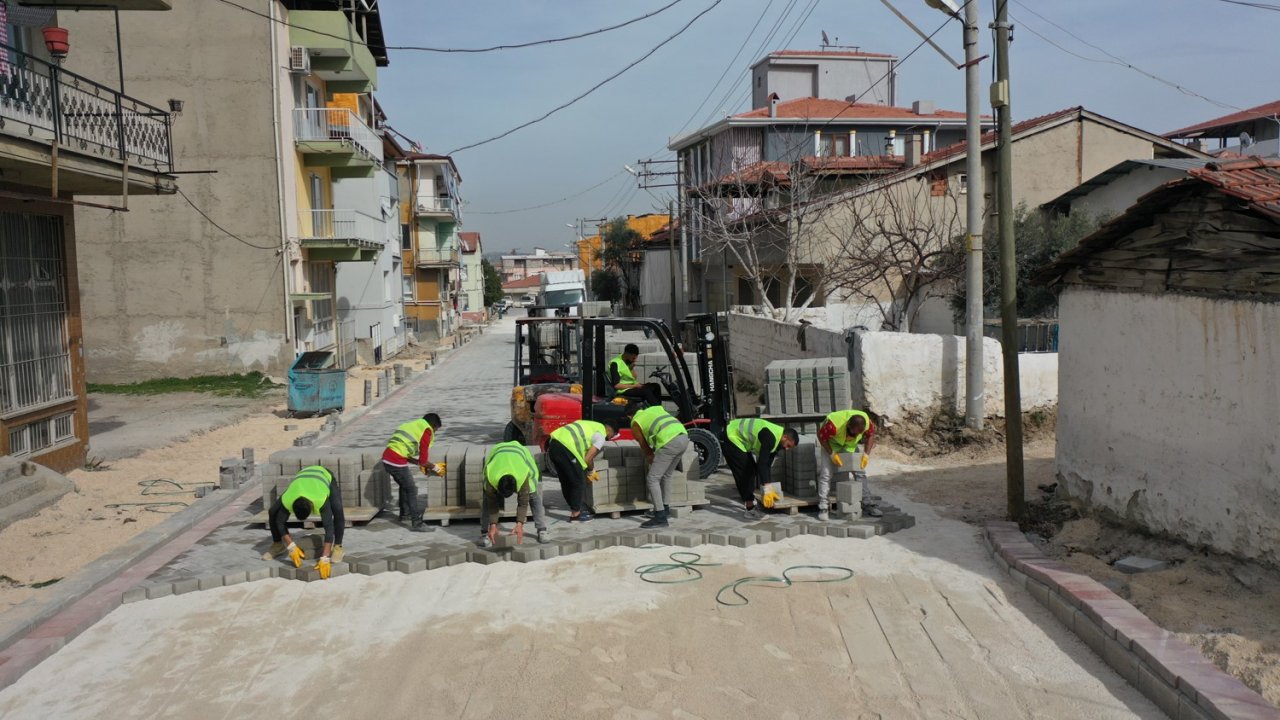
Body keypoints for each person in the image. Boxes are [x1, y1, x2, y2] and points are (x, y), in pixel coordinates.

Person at [263, 465, 344, 580]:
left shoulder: (320, 499)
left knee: (338, 509)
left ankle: (338, 547)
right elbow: (280, 522)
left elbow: (329, 528)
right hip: (302, 479)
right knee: (272, 512)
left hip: (323, 475)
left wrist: (324, 557)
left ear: (312, 507)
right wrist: (291, 546)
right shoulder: (289, 498)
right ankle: (278, 545)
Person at [721, 418, 799, 518]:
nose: (787, 449)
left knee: (752, 470)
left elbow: (766, 465)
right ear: (785, 437)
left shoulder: (778, 441)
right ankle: (750, 509)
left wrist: (769, 486)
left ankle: (749, 501)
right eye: (788, 445)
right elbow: (762, 463)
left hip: (738, 439)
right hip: (730, 437)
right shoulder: (770, 438)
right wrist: (767, 487)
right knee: (746, 472)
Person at [479, 441, 550, 547]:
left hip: (520, 453)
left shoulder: (522, 477)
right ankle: (484, 533)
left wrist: (519, 524)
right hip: (498, 451)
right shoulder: (491, 479)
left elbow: (523, 503)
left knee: (533, 496)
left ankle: (542, 529)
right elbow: (492, 503)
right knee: (487, 500)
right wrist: (493, 525)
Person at [631, 405, 690, 529]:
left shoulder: (636, 422)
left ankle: (660, 517)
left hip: (670, 442)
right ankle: (665, 508)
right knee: (667, 475)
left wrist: (650, 456)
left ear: (629, 416)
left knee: (652, 479)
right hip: (683, 437)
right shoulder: (654, 410)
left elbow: (643, 445)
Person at [382, 412, 443, 532]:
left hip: (387, 458)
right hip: (396, 461)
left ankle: (405, 514)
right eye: (436, 430)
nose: (434, 433)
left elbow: (403, 450)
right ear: (433, 426)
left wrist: (418, 463)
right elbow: (424, 460)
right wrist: (436, 468)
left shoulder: (411, 426)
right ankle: (417, 522)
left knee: (404, 485)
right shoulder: (426, 431)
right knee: (411, 489)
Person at [816, 409, 881, 520]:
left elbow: (870, 436)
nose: (856, 435)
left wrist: (866, 454)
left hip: (849, 446)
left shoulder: (866, 422)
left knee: (860, 472)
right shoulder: (832, 425)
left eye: (858, 434)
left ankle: (867, 503)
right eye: (853, 432)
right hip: (831, 443)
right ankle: (823, 506)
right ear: (848, 425)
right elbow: (821, 437)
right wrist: (832, 454)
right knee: (826, 474)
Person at [547, 419, 616, 522]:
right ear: (610, 431)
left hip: (553, 444)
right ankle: (576, 514)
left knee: (566, 480)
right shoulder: (600, 436)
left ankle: (574, 507)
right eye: (611, 436)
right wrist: (591, 471)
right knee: (579, 482)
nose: (609, 439)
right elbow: (588, 458)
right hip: (565, 448)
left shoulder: (589, 424)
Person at [608, 343, 662, 407]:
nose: (635, 360)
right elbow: (617, 386)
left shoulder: (627, 361)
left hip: (632, 386)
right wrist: (635, 386)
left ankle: (657, 407)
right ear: (627, 354)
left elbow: (634, 378)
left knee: (655, 386)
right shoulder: (615, 364)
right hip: (623, 390)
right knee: (646, 391)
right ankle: (657, 410)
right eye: (633, 358)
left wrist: (631, 368)